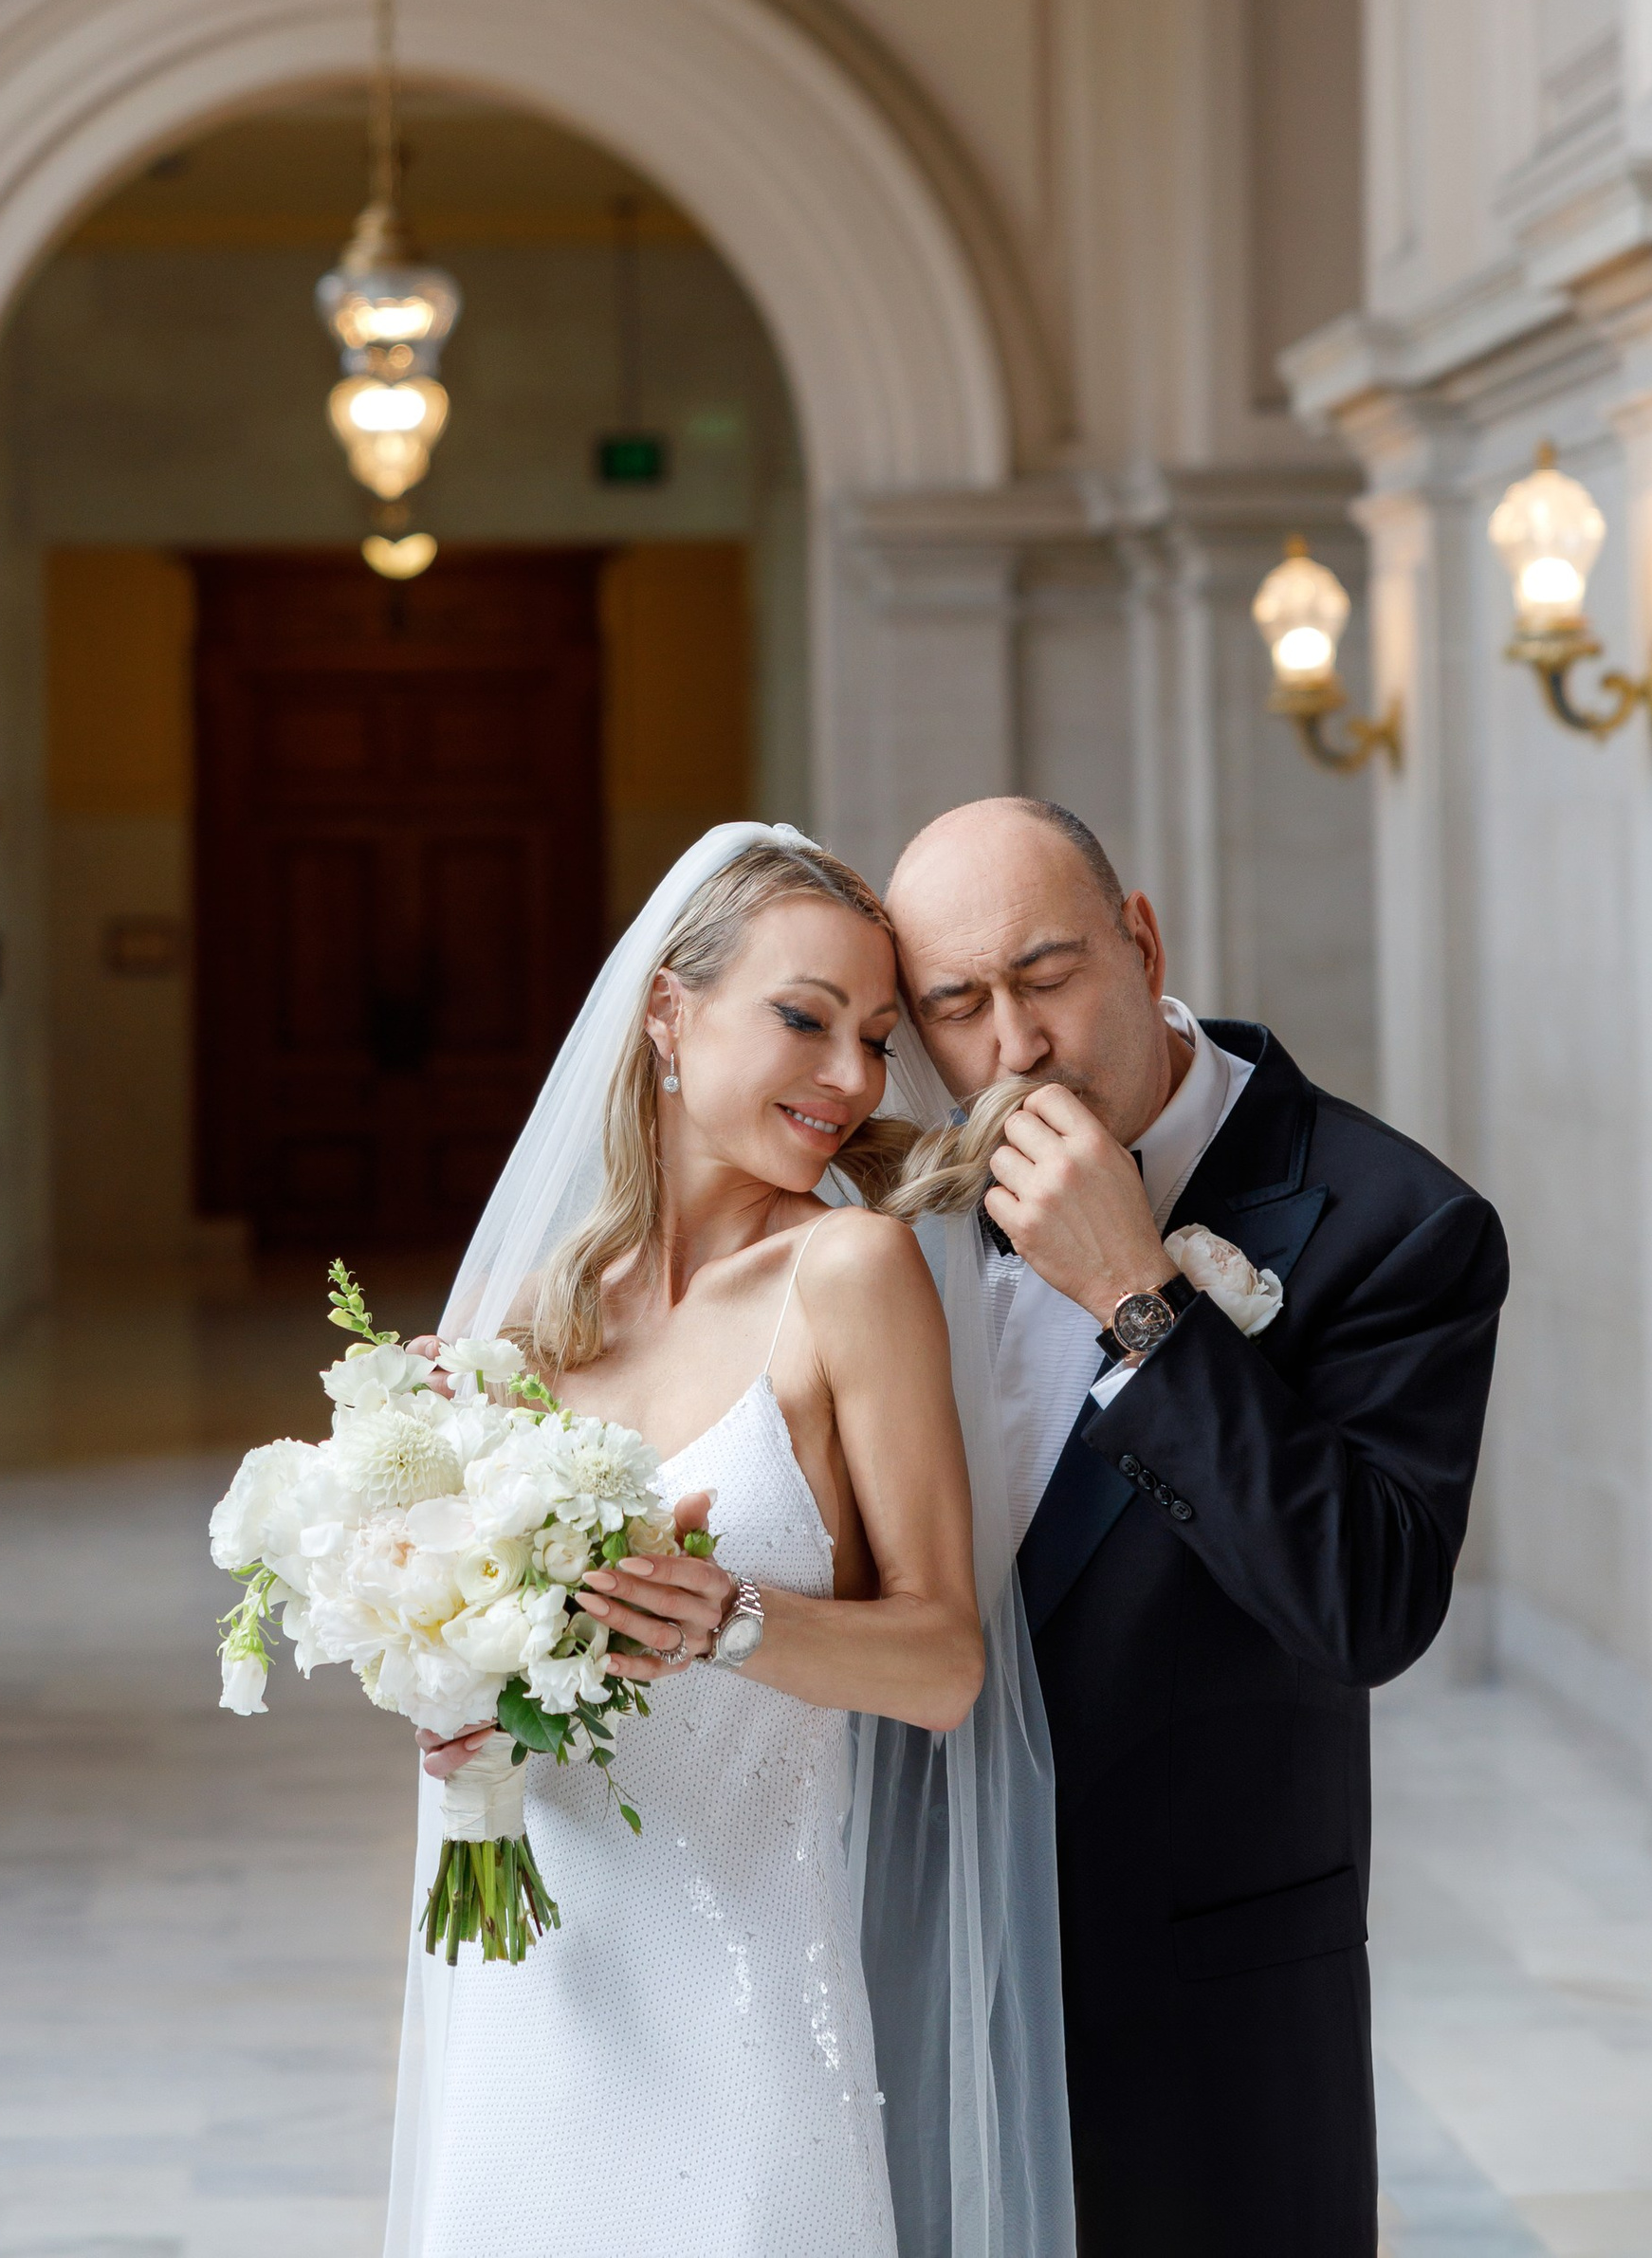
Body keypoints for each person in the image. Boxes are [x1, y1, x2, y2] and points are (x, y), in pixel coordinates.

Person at [388, 824, 1074, 2258]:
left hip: (748, 2015)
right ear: (667, 1013)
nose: (848, 1078)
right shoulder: (522, 1326)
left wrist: (729, 1620)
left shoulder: (848, 1275)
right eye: (804, 1018)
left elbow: (947, 1663)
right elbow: (479, 1657)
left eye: (878, 1039)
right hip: (539, 1996)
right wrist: (458, 1711)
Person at [883, 795, 1509, 2258]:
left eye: (1046, 979)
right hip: (908, 1965)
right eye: (957, 1007)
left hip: (1201, 2003)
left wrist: (1141, 1311)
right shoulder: (888, 1211)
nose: (1013, 1048)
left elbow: (1369, 1602)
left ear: (1141, 938)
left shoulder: (1394, 1220)